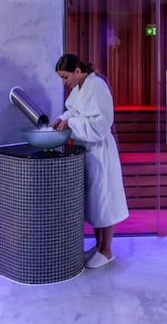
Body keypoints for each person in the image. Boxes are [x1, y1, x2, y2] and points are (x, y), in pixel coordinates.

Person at [52, 54, 128, 269]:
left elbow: (102, 123)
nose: (64, 82)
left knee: (104, 201)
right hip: (87, 150)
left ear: (77, 71)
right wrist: (62, 118)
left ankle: (106, 250)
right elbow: (73, 111)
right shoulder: (79, 88)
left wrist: (71, 124)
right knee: (94, 203)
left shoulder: (97, 86)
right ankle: (98, 246)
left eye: (65, 77)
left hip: (101, 150)